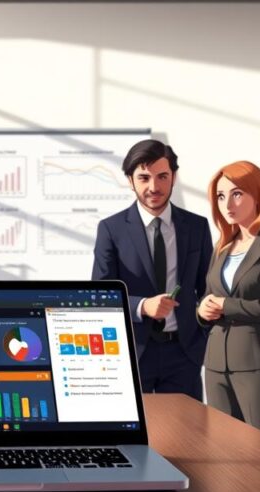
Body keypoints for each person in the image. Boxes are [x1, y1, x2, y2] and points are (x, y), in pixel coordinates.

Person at [92, 139, 213, 400]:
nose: (154, 187)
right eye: (144, 178)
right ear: (130, 180)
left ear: (174, 177)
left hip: (184, 354)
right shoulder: (111, 230)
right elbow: (100, 297)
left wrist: (202, 336)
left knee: (186, 427)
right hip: (133, 355)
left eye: (162, 177)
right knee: (138, 427)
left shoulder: (197, 227)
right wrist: (142, 306)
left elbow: (207, 289)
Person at [197, 161, 260, 441]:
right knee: (223, 451)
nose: (227, 204)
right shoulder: (223, 245)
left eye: (237, 194)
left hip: (257, 365)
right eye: (221, 196)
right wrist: (202, 310)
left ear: (258, 194)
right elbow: (209, 296)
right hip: (215, 365)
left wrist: (225, 305)